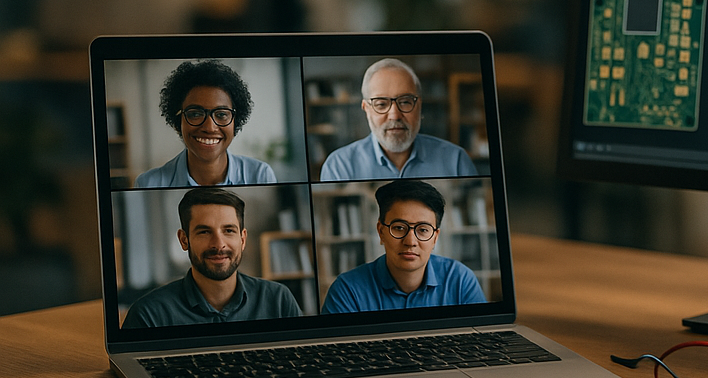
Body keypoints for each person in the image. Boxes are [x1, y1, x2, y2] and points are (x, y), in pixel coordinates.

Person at [122, 187, 301, 328]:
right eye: (205, 232)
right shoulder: (148, 315)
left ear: (243, 239)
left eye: (229, 231)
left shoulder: (278, 300)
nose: (219, 244)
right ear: (184, 240)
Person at [321, 179, 486, 313]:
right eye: (399, 228)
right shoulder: (347, 290)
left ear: (435, 238)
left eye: (422, 230)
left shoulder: (460, 280)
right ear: (381, 232)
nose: (410, 241)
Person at [318, 58, 477, 181]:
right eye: (381, 104)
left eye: (406, 102)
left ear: (419, 106)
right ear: (366, 109)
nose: (394, 115)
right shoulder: (339, 167)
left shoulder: (456, 161)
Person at [135, 60, 277, 187]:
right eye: (195, 114)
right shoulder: (149, 183)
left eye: (221, 114)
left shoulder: (260, 176)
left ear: (235, 121)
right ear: (177, 123)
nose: (209, 127)